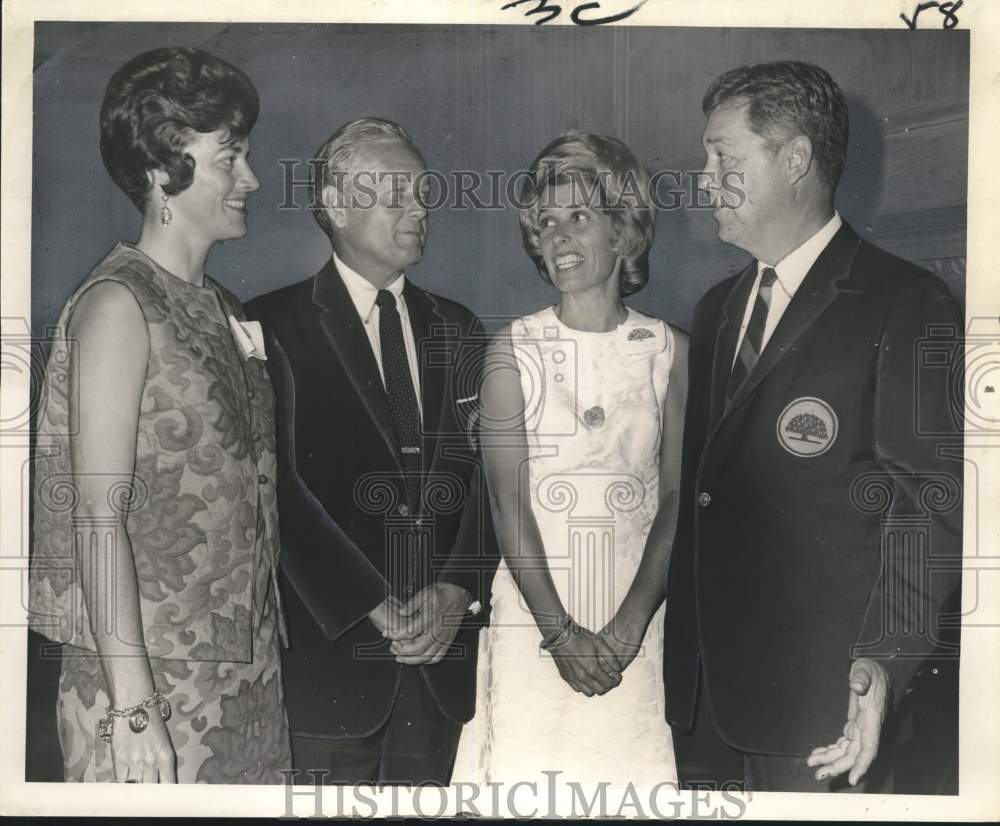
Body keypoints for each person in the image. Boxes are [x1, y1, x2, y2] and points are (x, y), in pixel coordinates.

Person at [664, 60, 963, 793]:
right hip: (705, 703)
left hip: (823, 708)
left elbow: (930, 507)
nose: (703, 179)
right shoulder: (714, 309)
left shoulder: (904, 301)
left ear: (794, 159)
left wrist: (884, 663)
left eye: (722, 157)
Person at [28, 47, 292, 783]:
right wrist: (135, 709)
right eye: (229, 158)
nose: (252, 178)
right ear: (160, 170)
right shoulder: (118, 306)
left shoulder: (222, 310)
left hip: (244, 674)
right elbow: (95, 517)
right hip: (149, 684)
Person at [245, 118, 500, 786]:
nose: (420, 210)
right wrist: (366, 600)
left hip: (443, 668)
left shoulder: (460, 326)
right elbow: (273, 490)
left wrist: (457, 590)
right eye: (398, 194)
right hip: (329, 670)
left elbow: (489, 481)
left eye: (423, 193)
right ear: (334, 205)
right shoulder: (268, 326)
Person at [452, 133, 687, 786]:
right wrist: (558, 634)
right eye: (545, 221)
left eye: (578, 217)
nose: (556, 237)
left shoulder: (670, 351)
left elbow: (674, 499)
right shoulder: (511, 349)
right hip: (535, 618)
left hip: (638, 619)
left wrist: (630, 627)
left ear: (624, 231)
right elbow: (506, 503)